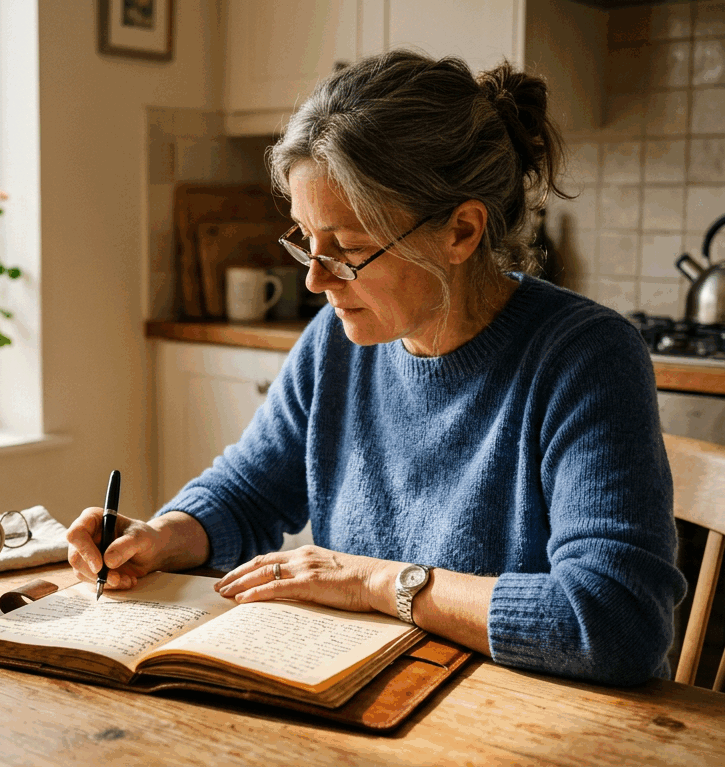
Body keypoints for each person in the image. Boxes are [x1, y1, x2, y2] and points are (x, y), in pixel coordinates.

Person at [68, 50, 687, 686]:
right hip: (376, 699)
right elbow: (250, 493)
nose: (314, 279)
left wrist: (374, 581)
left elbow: (616, 621)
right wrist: (164, 535)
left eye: (350, 250)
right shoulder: (334, 344)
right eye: (304, 240)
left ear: (462, 231)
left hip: (529, 720)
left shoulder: (585, 357)